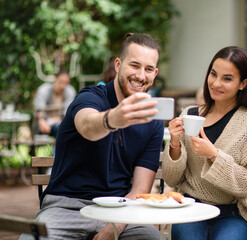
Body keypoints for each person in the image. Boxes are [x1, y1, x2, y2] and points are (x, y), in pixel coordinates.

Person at [20, 33, 164, 240]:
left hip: (120, 209)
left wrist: (113, 228)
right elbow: (88, 125)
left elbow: (140, 189)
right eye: (134, 65)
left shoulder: (153, 121)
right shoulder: (90, 97)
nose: (141, 76)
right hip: (66, 206)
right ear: (117, 65)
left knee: (151, 237)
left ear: (155, 73)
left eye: (148, 69)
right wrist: (112, 119)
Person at [162, 46, 247, 240]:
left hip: (234, 213)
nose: (216, 83)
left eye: (227, 78)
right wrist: (175, 144)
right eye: (213, 74)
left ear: (243, 83)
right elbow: (172, 179)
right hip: (192, 207)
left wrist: (213, 155)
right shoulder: (189, 115)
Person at [33, 71, 76, 138]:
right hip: (43, 123)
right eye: (60, 82)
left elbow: (67, 113)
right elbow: (39, 110)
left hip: (60, 123)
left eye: (66, 83)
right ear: (55, 79)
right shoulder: (44, 90)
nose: (63, 86)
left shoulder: (70, 92)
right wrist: (42, 121)